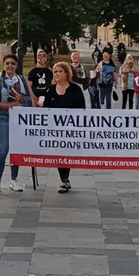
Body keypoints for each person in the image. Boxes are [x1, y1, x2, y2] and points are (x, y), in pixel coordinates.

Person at [40, 61, 86, 193]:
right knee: (59, 153)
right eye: (55, 72)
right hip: (55, 130)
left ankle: (65, 178)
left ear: (67, 73)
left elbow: (82, 108)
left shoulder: (75, 89)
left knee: (67, 153)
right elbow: (46, 109)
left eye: (60, 71)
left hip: (71, 128)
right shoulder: (50, 90)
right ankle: (64, 180)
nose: (57, 74)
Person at [0, 54, 31, 192]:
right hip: (4, 117)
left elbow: (28, 100)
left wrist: (22, 99)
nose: (10, 66)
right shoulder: (0, 81)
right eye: (7, 63)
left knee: (15, 150)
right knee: (3, 150)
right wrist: (13, 104)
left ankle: (14, 180)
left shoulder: (21, 80)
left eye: (13, 64)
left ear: (16, 66)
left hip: (18, 119)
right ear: (3, 65)